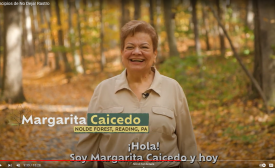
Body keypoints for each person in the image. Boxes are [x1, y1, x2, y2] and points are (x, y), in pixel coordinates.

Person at [75, 20, 200, 168]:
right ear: (122, 53)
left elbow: (187, 144)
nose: (136, 52)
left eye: (144, 47)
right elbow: (87, 146)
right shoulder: (104, 90)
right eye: (130, 47)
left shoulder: (173, 88)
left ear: (155, 54)